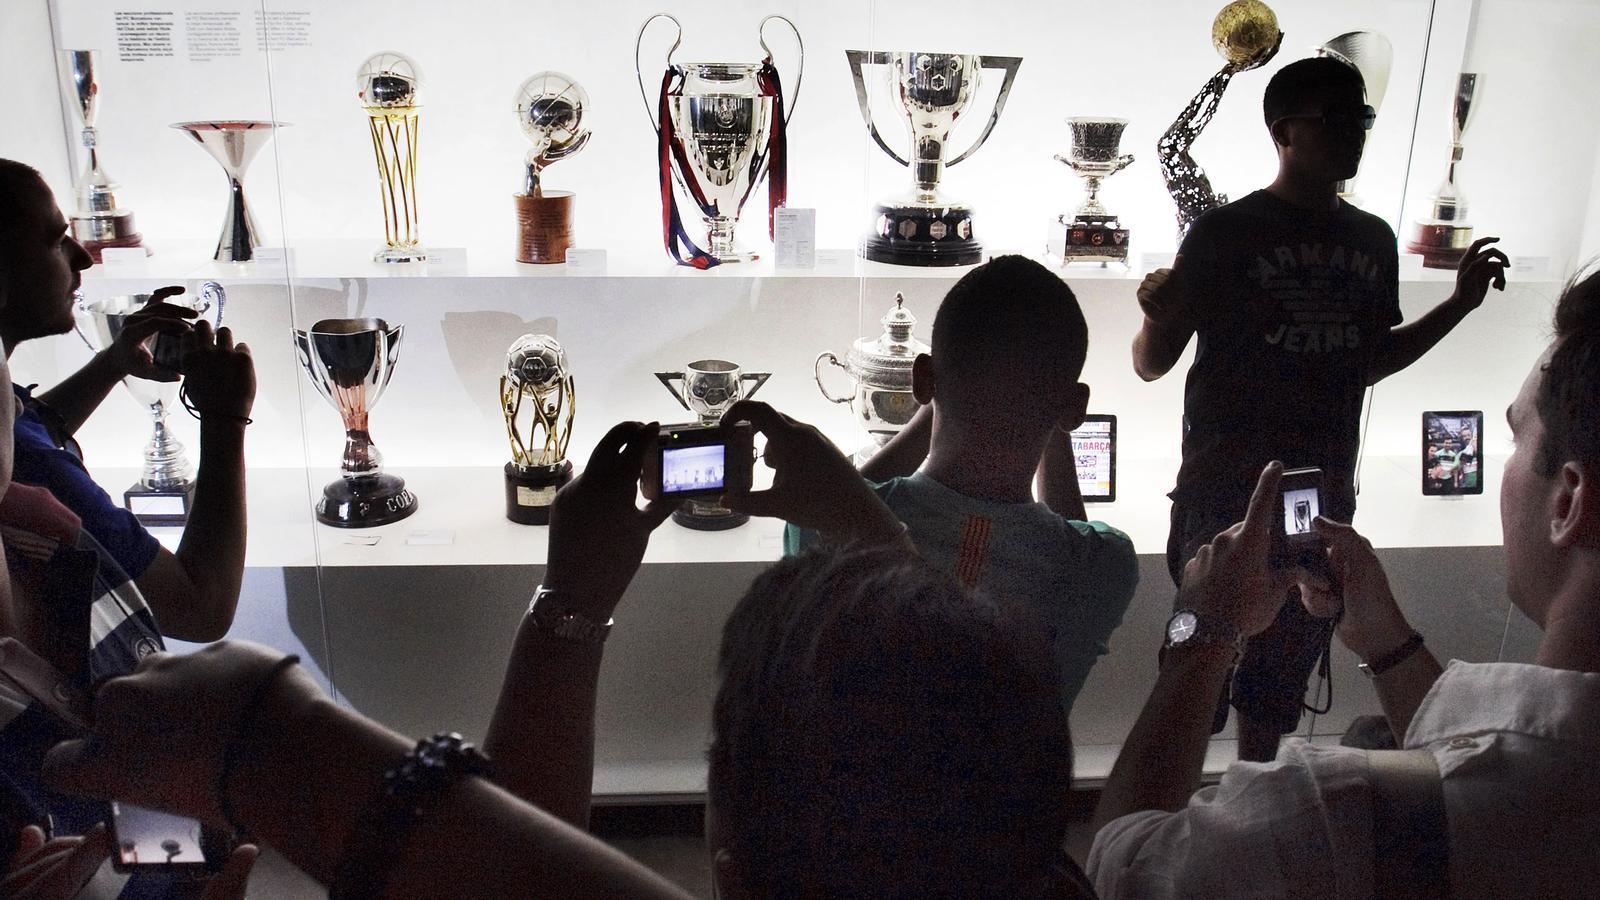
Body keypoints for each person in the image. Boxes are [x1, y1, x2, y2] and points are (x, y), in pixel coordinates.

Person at [1089, 267, 1600, 899]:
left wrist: (1202, 636)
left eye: (1516, 439)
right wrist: (1388, 644)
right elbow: (1486, 757)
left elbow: (1119, 867)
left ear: (1567, 502)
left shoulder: (1330, 814)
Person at [485, 403, 1094, 896]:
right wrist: (877, 531)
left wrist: (573, 601)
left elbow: (512, 873)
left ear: (732, 882)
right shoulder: (1078, 877)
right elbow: (959, 702)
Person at [1130, 57, 1509, 759]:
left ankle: (1253, 801)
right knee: (1198, 667)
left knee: (1277, 683)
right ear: (1284, 131)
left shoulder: (1373, 239)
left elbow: (1367, 361)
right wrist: (1156, 318)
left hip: (1321, 491)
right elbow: (1152, 363)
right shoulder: (1222, 232)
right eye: (1335, 119)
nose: (1354, 132)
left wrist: (1459, 306)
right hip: (1223, 488)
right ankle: (1172, 814)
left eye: (1361, 118)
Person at [791, 255, 1139, 713]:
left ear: (922, 379)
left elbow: (846, 502)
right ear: (1074, 408)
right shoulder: (1106, 565)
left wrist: (937, 393)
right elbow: (1077, 549)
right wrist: (1052, 410)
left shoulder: (819, 524)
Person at [0, 158, 255, 645]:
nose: (82, 257)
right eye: (55, 241)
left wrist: (112, 364)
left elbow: (25, 429)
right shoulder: (34, 471)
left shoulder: (12, 428)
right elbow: (200, 608)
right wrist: (225, 419)